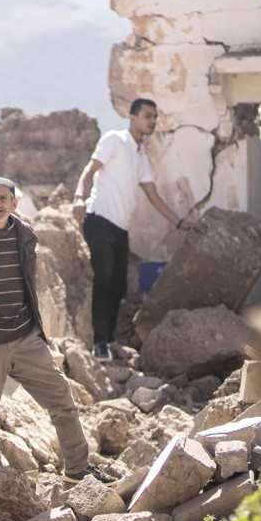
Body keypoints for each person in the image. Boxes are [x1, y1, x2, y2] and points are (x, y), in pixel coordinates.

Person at [0, 177, 116, 484]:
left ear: (13, 203)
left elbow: (27, 286)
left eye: (2, 198)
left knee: (62, 399)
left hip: (25, 340)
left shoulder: (25, 235)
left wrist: (35, 332)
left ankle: (77, 469)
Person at [72, 98, 198, 361]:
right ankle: (99, 343)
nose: (152, 121)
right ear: (132, 117)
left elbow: (152, 195)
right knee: (104, 278)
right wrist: (78, 197)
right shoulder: (114, 140)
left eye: (154, 117)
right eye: (147, 116)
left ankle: (109, 339)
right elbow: (90, 169)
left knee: (119, 286)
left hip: (121, 227)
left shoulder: (141, 155)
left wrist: (178, 223)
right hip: (99, 219)